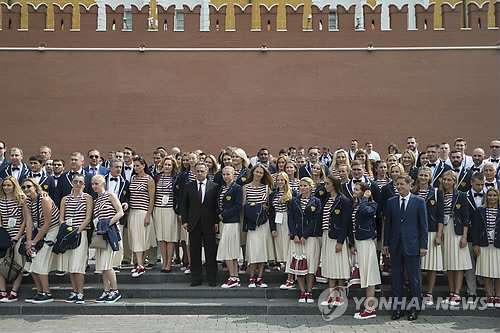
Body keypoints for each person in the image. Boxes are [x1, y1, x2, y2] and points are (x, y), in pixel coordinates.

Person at [384, 175, 428, 321]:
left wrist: (423, 245)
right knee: (396, 278)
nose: (399, 187)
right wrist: (386, 244)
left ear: (410, 185)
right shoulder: (391, 202)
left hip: (413, 245)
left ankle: (415, 308)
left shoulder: (419, 202)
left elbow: (424, 226)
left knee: (414, 278)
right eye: (397, 184)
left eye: (402, 184)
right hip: (396, 245)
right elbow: (388, 225)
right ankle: (397, 308)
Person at [181, 162, 219, 287]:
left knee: (210, 251)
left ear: (207, 172)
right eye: (197, 171)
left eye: (202, 171)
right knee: (194, 251)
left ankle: (212, 278)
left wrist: (216, 222)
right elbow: (184, 205)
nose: (200, 173)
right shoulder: (188, 186)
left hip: (209, 223)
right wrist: (185, 221)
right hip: (194, 223)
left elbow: (216, 207)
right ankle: (196, 278)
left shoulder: (214, 186)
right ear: (194, 173)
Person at [22, 178, 60, 304]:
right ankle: (40, 292)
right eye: (24, 187)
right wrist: (28, 242)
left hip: (52, 230)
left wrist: (34, 241)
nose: (26, 189)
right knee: (31, 261)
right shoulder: (26, 202)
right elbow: (29, 222)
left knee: (40, 261)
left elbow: (48, 223)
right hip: (38, 230)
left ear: (35, 187)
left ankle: (47, 293)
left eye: (29, 186)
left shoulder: (45, 199)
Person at [59, 173, 93, 304]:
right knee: (70, 266)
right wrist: (64, 228)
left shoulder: (87, 198)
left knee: (78, 266)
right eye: (76, 181)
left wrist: (77, 230)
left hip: (80, 233)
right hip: (67, 234)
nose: (78, 184)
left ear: (84, 185)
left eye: (80, 182)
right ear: (72, 183)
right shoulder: (65, 199)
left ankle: (80, 293)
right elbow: (61, 217)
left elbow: (88, 217)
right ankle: (74, 291)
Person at [412, 166, 444, 306]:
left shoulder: (436, 192)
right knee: (416, 265)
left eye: (426, 175)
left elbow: (440, 216)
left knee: (432, 265)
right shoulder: (412, 191)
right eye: (421, 175)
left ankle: (429, 293)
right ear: (418, 176)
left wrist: (439, 234)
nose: (423, 178)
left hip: (431, 232)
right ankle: (417, 291)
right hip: (414, 232)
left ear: (430, 177)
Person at [439, 170, 471, 305]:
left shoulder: (461, 195)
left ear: (454, 181)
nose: (446, 182)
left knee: (458, 263)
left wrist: (464, 236)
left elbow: (466, 217)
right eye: (444, 180)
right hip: (444, 229)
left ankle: (457, 293)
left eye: (449, 180)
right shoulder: (440, 194)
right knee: (449, 263)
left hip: (456, 230)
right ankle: (451, 291)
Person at [350, 182, 381, 320]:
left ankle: (370, 308)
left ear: (364, 192)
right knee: (362, 273)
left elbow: (365, 212)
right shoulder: (355, 205)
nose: (354, 191)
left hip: (367, 242)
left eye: (357, 190)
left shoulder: (371, 204)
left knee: (369, 274)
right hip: (358, 241)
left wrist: (364, 198)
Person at [288, 177, 321, 303]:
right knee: (299, 265)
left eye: (305, 185)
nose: (302, 188)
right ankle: (302, 292)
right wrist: (295, 234)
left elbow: (315, 220)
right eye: (300, 185)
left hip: (310, 238)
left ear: (310, 187)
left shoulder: (316, 201)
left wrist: (305, 235)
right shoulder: (293, 201)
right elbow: (290, 218)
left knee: (310, 266)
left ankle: (309, 291)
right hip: (296, 238)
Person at [92, 175, 124, 303]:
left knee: (108, 264)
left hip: (110, 231)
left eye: (96, 183)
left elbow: (120, 212)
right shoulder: (96, 200)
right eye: (93, 184)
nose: (94, 186)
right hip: (100, 232)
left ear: (103, 184)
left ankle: (115, 290)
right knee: (102, 265)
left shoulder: (110, 195)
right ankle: (106, 291)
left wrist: (108, 223)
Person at [319, 176, 351, 306]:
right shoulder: (326, 199)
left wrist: (340, 241)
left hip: (337, 237)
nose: (325, 186)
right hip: (327, 235)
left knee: (339, 266)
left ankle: (341, 295)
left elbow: (345, 222)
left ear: (334, 185)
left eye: (327, 184)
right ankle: (331, 295)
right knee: (330, 265)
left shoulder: (343, 200)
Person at [242, 164, 273, 288]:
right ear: (253, 173)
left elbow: (269, 206)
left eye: (261, 173)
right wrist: (254, 207)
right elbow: (244, 205)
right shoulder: (246, 187)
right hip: (251, 223)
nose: (258, 174)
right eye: (257, 172)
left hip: (263, 223)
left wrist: (264, 207)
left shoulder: (266, 188)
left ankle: (260, 278)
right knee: (253, 251)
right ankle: (251, 278)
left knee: (262, 251)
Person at [472, 187, 500, 308]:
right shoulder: (480, 211)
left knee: (498, 273)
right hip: (485, 244)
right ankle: (489, 295)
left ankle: (498, 296)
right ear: (486, 197)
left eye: (494, 195)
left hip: (498, 245)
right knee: (487, 272)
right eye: (490, 195)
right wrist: (476, 244)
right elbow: (476, 229)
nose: (492, 198)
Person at [128, 157, 156, 277]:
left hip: (142, 212)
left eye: (138, 165)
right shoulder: (133, 178)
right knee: (135, 239)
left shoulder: (149, 179)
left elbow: (151, 199)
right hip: (132, 212)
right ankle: (140, 263)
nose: (136, 168)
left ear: (144, 165)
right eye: (134, 166)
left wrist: (148, 215)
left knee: (141, 240)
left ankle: (140, 265)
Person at [0, 176, 26, 302]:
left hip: (19, 235)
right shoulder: (0, 200)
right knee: (1, 262)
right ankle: (2, 291)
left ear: (14, 186)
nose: (6, 188)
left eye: (9, 185)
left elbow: (25, 220)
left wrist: (17, 236)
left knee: (17, 263)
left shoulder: (21, 200)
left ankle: (14, 291)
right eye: (4, 185)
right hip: (4, 235)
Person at [217, 166, 243, 288]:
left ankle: (233, 277)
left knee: (228, 250)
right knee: (228, 249)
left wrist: (224, 215)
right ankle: (235, 276)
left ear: (233, 174)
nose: (226, 176)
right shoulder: (222, 188)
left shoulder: (237, 188)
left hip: (232, 222)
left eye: (228, 174)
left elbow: (238, 206)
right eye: (224, 174)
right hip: (224, 223)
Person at [153, 156, 180, 272]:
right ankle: (164, 262)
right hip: (158, 209)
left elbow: (179, 195)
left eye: (169, 165)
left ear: (173, 166)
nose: (167, 167)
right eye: (165, 164)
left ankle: (169, 263)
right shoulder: (157, 177)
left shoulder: (176, 179)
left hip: (170, 210)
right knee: (162, 238)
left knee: (170, 238)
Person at [269, 172, 294, 289]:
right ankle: (286, 271)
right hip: (277, 222)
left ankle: (290, 277)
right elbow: (271, 212)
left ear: (286, 181)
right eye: (278, 180)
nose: (279, 182)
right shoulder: (273, 195)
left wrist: (292, 228)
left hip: (287, 222)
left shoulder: (291, 193)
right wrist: (273, 228)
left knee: (289, 249)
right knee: (281, 249)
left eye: (282, 180)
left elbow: (294, 213)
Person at [464, 171, 486, 302]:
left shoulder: (489, 196)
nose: (480, 187)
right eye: (478, 184)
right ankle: (471, 291)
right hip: (469, 235)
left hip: (484, 236)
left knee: (484, 263)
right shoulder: (464, 196)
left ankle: (488, 290)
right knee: (470, 265)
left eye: (482, 185)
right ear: (471, 182)